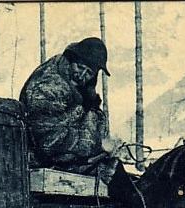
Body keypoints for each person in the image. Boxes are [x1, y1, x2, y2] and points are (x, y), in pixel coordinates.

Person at [20, 37, 116, 178]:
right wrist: (98, 145)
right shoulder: (49, 87)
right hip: (40, 162)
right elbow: (50, 142)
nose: (81, 75)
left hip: (66, 159)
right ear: (72, 59)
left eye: (89, 73)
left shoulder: (80, 89)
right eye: (80, 67)